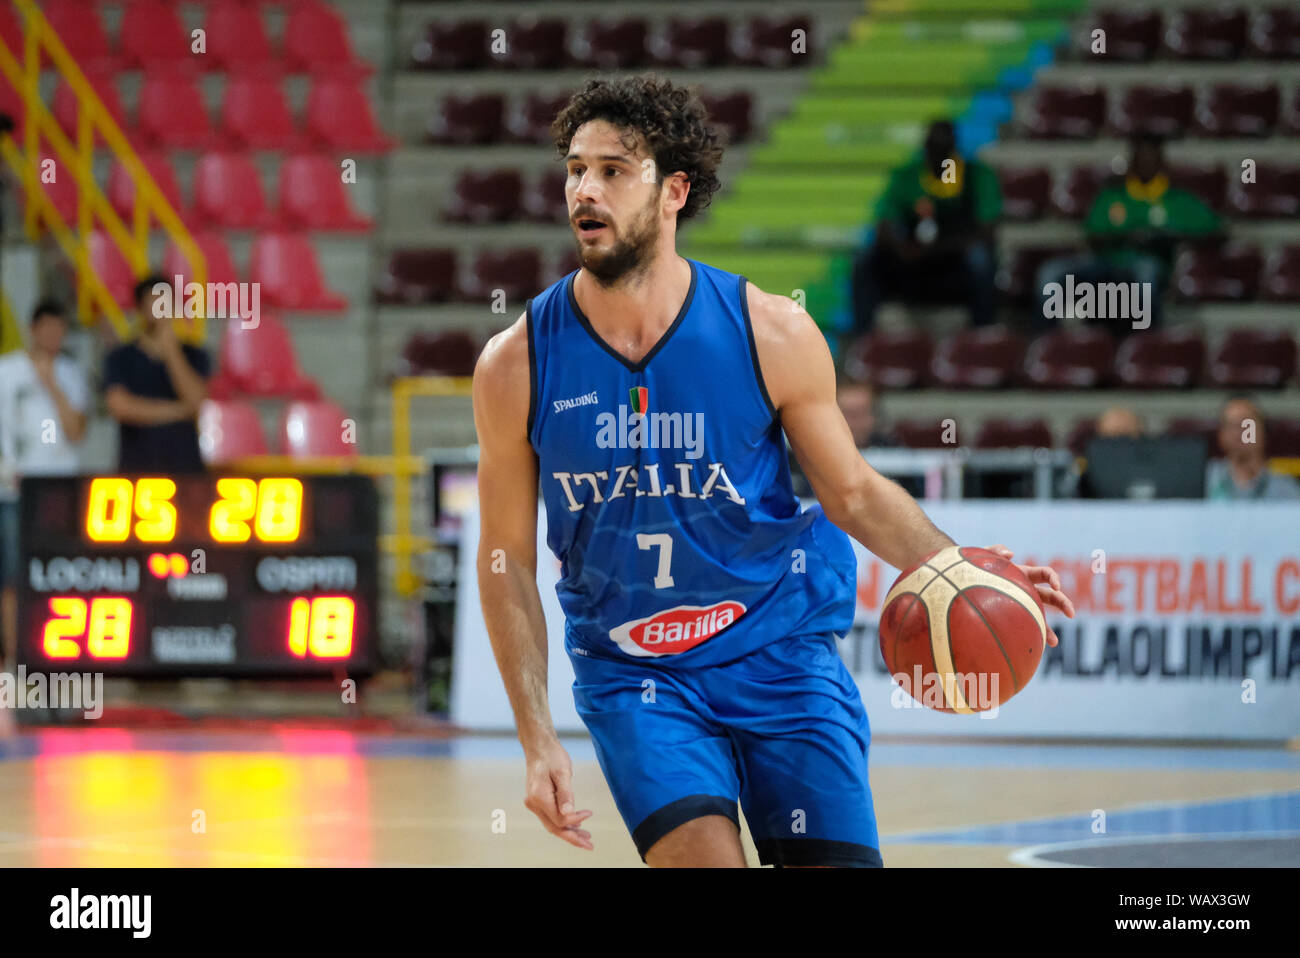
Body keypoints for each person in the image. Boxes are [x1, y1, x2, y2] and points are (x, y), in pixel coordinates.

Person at [471, 74, 1076, 868]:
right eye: (576, 169)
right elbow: (506, 557)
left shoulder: (770, 331)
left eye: (614, 169)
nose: (585, 189)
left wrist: (957, 567)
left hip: (780, 653)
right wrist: (536, 736)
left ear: (673, 191)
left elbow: (853, 491)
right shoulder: (517, 362)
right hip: (638, 675)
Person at [1035, 133, 1222, 336]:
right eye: (1140, 158)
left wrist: (1169, 238)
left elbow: (1216, 233)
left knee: (1146, 275)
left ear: (1161, 162)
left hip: (1147, 263)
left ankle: (1147, 343)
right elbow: (1093, 237)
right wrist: (1127, 237)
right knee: (1050, 273)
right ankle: (1047, 342)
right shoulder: (1112, 194)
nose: (1145, 163)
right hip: (1105, 264)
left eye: (1150, 158)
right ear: (1131, 161)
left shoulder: (1178, 199)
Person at [0, 298, 90, 668]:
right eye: (47, 327)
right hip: (13, 490)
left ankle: (51, 654)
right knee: (12, 577)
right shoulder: (7, 371)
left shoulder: (70, 374)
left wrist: (51, 385)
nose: (53, 335)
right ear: (33, 329)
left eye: (60, 328)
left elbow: (72, 432)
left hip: (59, 490)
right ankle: (14, 656)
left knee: (57, 575)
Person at [850, 119, 1001, 336]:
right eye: (933, 149)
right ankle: (862, 341)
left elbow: (988, 230)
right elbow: (883, 225)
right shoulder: (907, 175)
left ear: (954, 148)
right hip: (913, 262)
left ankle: (983, 337)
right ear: (925, 148)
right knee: (865, 261)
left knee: (981, 258)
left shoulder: (977, 175)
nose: (938, 157)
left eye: (944, 150)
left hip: (955, 264)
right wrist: (903, 248)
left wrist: (939, 248)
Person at [104, 276, 210, 473]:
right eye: (154, 302)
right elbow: (121, 407)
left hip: (185, 467)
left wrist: (171, 350)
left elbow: (196, 402)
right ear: (140, 308)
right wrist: (179, 411)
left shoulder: (194, 354)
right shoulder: (120, 357)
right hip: (137, 468)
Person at [1206, 394, 1300, 500]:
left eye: (1247, 424)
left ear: (1263, 431)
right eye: (1231, 425)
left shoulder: (1286, 489)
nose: (1239, 433)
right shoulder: (1204, 482)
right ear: (1221, 435)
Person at [1075, 406, 1144, 498]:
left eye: (1125, 436)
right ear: (1100, 434)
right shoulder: (1085, 461)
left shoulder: (1148, 464)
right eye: (1113, 436)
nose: (1119, 443)